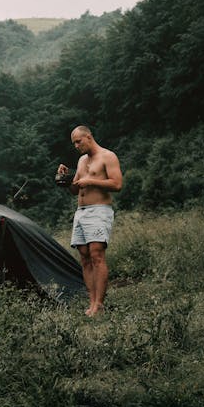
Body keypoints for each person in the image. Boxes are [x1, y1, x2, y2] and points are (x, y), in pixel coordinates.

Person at [57, 125, 122, 316]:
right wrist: (65, 177)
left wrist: (91, 181)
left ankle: (99, 305)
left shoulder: (107, 156)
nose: (76, 146)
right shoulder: (81, 161)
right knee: (84, 257)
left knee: (96, 255)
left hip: (99, 210)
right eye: (74, 143)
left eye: (79, 141)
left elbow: (117, 184)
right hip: (81, 211)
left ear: (89, 137)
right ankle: (92, 302)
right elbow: (75, 189)